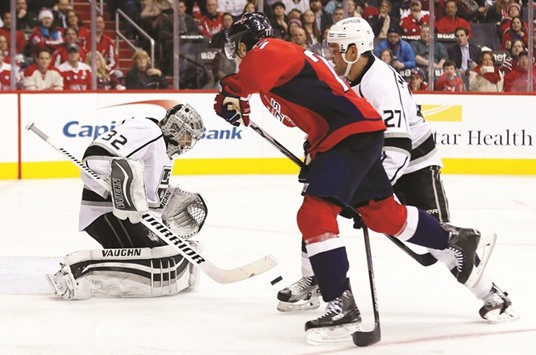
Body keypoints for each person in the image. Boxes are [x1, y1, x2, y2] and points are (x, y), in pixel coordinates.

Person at [213, 12, 489, 343]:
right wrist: (239, 104)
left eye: (237, 48)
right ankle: (455, 239)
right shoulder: (273, 65)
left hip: (345, 135)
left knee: (314, 214)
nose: (237, 56)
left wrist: (231, 91)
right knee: (382, 213)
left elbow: (249, 78)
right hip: (348, 135)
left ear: (245, 43)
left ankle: (340, 304)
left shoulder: (270, 49)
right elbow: (291, 109)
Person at [278, 17, 516, 323]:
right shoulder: (339, 78)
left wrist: (371, 193)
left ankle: (492, 294)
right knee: (320, 206)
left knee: (443, 242)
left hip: (414, 162)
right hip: (368, 158)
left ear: (354, 50)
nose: (330, 55)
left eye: (335, 49)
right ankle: (315, 280)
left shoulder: (380, 82)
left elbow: (398, 148)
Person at [47, 103, 206, 300]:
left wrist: (162, 222)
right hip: (106, 213)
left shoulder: (165, 153)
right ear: (175, 127)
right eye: (187, 136)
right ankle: (77, 272)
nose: (188, 143)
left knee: (165, 254)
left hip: (128, 217)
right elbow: (94, 158)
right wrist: (124, 187)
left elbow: (150, 201)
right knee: (155, 262)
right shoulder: (148, 130)